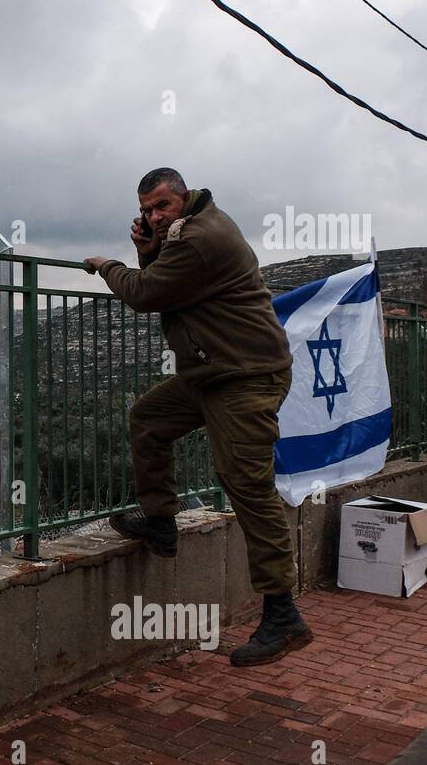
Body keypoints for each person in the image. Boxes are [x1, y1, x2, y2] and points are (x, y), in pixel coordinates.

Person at [83, 168, 311, 667]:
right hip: (214, 372)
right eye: (145, 210)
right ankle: (161, 521)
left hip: (246, 377)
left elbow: (147, 294)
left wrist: (108, 264)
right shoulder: (189, 230)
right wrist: (149, 249)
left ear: (183, 197)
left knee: (246, 484)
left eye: (161, 206)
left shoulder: (203, 236)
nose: (153, 216)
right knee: (148, 418)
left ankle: (282, 613)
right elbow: (166, 284)